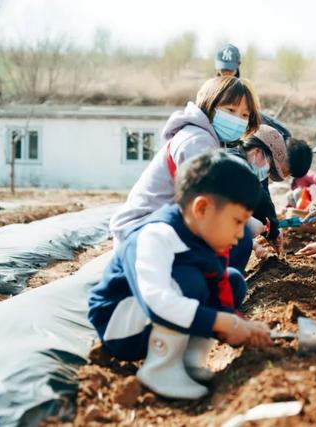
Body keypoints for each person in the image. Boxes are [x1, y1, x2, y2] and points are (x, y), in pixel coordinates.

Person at [88, 152, 273, 400]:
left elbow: (221, 290)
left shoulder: (205, 239)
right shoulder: (156, 236)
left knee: (232, 280)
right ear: (202, 208)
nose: (241, 234)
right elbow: (157, 301)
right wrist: (222, 323)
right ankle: (160, 368)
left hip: (155, 318)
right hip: (122, 326)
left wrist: (239, 325)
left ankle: (189, 361)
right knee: (189, 281)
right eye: (237, 222)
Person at [109, 76, 260, 272]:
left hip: (160, 227)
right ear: (209, 105)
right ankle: (204, 295)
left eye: (244, 115)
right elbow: (210, 202)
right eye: (230, 110)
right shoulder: (196, 142)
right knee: (240, 242)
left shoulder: (205, 138)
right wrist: (246, 223)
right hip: (140, 233)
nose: (236, 120)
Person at [215, 43, 292, 141]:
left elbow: (255, 113)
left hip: (243, 129)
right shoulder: (210, 87)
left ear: (238, 64)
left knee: (284, 134)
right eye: (223, 68)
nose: (227, 72)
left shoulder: (246, 86)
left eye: (230, 69)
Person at [242, 125, 289, 255]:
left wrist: (273, 232)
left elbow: (261, 196)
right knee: (252, 226)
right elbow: (259, 198)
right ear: (257, 152)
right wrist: (250, 243)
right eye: (270, 165)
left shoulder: (241, 160)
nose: (268, 172)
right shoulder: (238, 168)